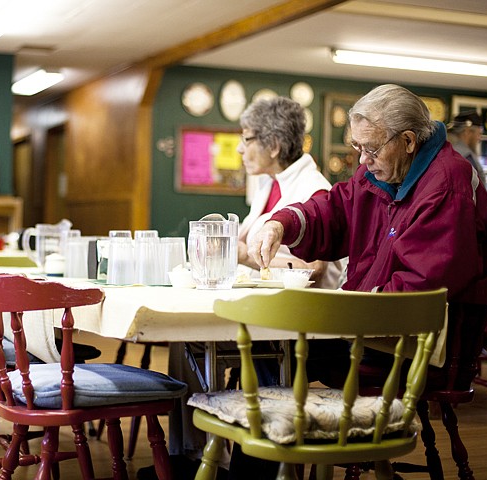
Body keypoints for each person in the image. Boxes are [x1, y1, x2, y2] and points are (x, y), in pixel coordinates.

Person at [231, 84, 487, 479]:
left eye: (370, 149)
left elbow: (415, 290)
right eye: (358, 148)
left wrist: (342, 312)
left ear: (408, 141)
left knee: (271, 347)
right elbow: (335, 207)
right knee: (269, 347)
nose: (363, 159)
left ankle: (264, 470)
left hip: (411, 351)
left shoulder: (446, 183)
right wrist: (281, 222)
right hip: (374, 335)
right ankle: (270, 467)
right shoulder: (384, 170)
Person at [137, 97, 345, 480]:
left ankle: (235, 457)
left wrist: (246, 256)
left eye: (246, 139)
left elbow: (310, 266)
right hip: (267, 312)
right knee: (187, 338)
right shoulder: (268, 184)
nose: (239, 147)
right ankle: (192, 455)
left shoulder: (311, 187)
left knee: (199, 341)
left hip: (303, 324)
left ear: (274, 146)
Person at [447, 111, 486, 184]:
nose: (480, 138)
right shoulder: (467, 158)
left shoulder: (447, 151)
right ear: (467, 131)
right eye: (479, 134)